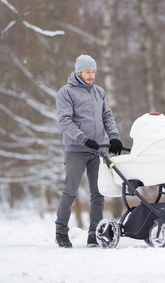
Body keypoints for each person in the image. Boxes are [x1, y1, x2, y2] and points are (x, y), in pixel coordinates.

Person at [55, 54, 123, 248]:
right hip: (76, 149)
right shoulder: (66, 93)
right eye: (88, 72)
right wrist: (83, 139)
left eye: (93, 72)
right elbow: (65, 121)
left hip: (98, 149)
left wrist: (114, 137)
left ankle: (95, 233)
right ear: (78, 72)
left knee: (98, 192)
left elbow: (107, 115)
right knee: (70, 191)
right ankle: (61, 231)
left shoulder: (99, 92)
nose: (92, 76)